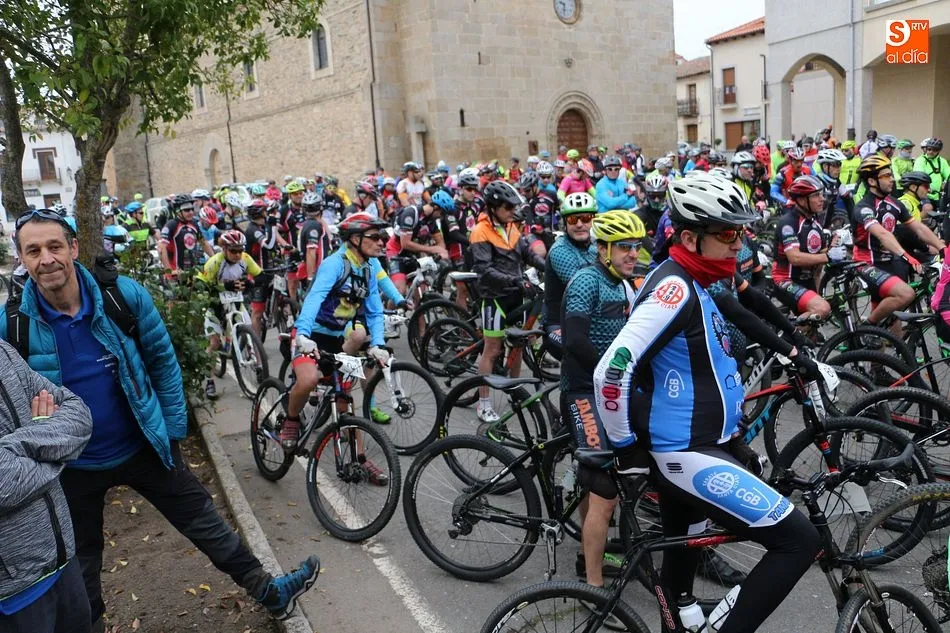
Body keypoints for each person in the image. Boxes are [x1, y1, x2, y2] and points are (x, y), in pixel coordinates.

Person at [1, 211, 320, 630]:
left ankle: (269, 591)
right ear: (22, 259)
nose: (46, 259)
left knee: (206, 523)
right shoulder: (14, 325)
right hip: (71, 468)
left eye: (54, 246)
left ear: (74, 248)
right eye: (34, 250)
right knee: (83, 567)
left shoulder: (122, 297)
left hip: (142, 444)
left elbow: (163, 363)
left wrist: (170, 432)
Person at [593, 175, 822, 633]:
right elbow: (611, 372)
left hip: (700, 445)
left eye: (742, 232)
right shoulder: (674, 289)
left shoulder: (695, 279)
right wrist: (625, 449)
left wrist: (731, 437)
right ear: (688, 239)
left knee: (681, 572)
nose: (739, 243)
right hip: (684, 452)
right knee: (799, 540)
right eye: (728, 233)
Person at [0, 342, 93, 633]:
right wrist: (55, 449)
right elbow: (4, 484)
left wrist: (29, 438)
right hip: (13, 594)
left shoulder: (3, 352)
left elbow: (79, 414)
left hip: (62, 559)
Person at [287, 213, 393, 465]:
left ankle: (360, 459)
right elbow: (314, 297)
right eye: (375, 237)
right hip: (311, 335)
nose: (381, 242)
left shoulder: (368, 268)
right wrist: (303, 334)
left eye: (382, 237)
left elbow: (375, 311)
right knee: (309, 379)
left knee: (346, 399)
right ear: (355, 239)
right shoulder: (334, 264)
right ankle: (291, 420)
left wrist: (377, 344)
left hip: (335, 339)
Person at [469, 181, 545, 423]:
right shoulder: (480, 231)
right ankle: (483, 403)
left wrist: (549, 267)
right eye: (508, 207)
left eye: (514, 207)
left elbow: (528, 254)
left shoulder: (511, 226)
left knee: (518, 346)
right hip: (494, 298)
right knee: (492, 350)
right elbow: (485, 270)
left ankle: (515, 393)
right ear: (493, 207)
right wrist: (516, 280)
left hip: (515, 295)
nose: (513, 211)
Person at [852, 155, 944, 328]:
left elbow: (918, 228)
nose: (892, 179)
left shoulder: (894, 203)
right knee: (905, 294)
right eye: (887, 176)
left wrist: (942, 248)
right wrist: (906, 256)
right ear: (872, 181)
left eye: (891, 174)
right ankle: (867, 328)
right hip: (867, 262)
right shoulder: (864, 207)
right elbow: (882, 234)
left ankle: (888, 341)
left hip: (889, 260)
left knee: (894, 319)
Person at [198, 230, 262, 399]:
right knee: (214, 343)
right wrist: (224, 287)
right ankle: (210, 382)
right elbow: (200, 285)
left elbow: (260, 276)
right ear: (224, 249)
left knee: (251, 332)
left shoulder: (245, 259)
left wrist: (250, 283)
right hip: (215, 306)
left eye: (240, 250)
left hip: (236, 303)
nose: (237, 254)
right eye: (233, 251)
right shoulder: (215, 262)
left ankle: (259, 365)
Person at [771, 175, 839, 319]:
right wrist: (827, 256)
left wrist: (833, 247)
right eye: (816, 195)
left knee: (816, 324)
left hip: (807, 280)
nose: (822, 199)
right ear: (802, 200)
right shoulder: (789, 223)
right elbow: (795, 258)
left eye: (821, 194)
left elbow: (818, 258)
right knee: (822, 309)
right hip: (786, 280)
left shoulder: (814, 222)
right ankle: (791, 331)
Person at [542, 192, 598, 359]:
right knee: (591, 356)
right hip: (559, 324)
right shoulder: (560, 250)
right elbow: (583, 289)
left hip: (587, 320)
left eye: (586, 218)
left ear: (594, 220)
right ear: (565, 223)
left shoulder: (594, 246)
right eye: (573, 219)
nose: (580, 224)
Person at [245, 199, 293, 337]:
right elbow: (269, 245)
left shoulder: (262, 226)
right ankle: (256, 344)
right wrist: (272, 226)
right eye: (265, 211)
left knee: (282, 296)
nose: (268, 214)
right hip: (258, 273)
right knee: (258, 312)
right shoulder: (253, 230)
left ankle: (283, 317)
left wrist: (282, 247)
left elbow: (273, 245)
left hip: (270, 270)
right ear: (259, 213)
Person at [384, 200, 448, 297]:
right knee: (400, 291)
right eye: (442, 213)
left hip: (413, 254)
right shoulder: (411, 213)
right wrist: (431, 249)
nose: (441, 217)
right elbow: (405, 244)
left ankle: (419, 307)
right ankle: (389, 307)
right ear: (435, 207)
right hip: (396, 252)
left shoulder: (431, 221)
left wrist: (441, 251)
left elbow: (440, 244)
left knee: (421, 290)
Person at [158, 194, 214, 278]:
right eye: (187, 210)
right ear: (178, 211)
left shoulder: (194, 224)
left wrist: (214, 259)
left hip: (192, 271)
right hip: (176, 273)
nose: (191, 212)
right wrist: (168, 271)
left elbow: (203, 243)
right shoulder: (171, 225)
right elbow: (161, 247)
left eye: (192, 209)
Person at [914, 137, 950, 205]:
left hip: (938, 196)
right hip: (924, 195)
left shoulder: (942, 161)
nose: (931, 151)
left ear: (939, 151)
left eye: (935, 150)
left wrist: (946, 183)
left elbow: (948, 174)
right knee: (927, 209)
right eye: (929, 149)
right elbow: (919, 176)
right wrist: (927, 187)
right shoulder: (920, 160)